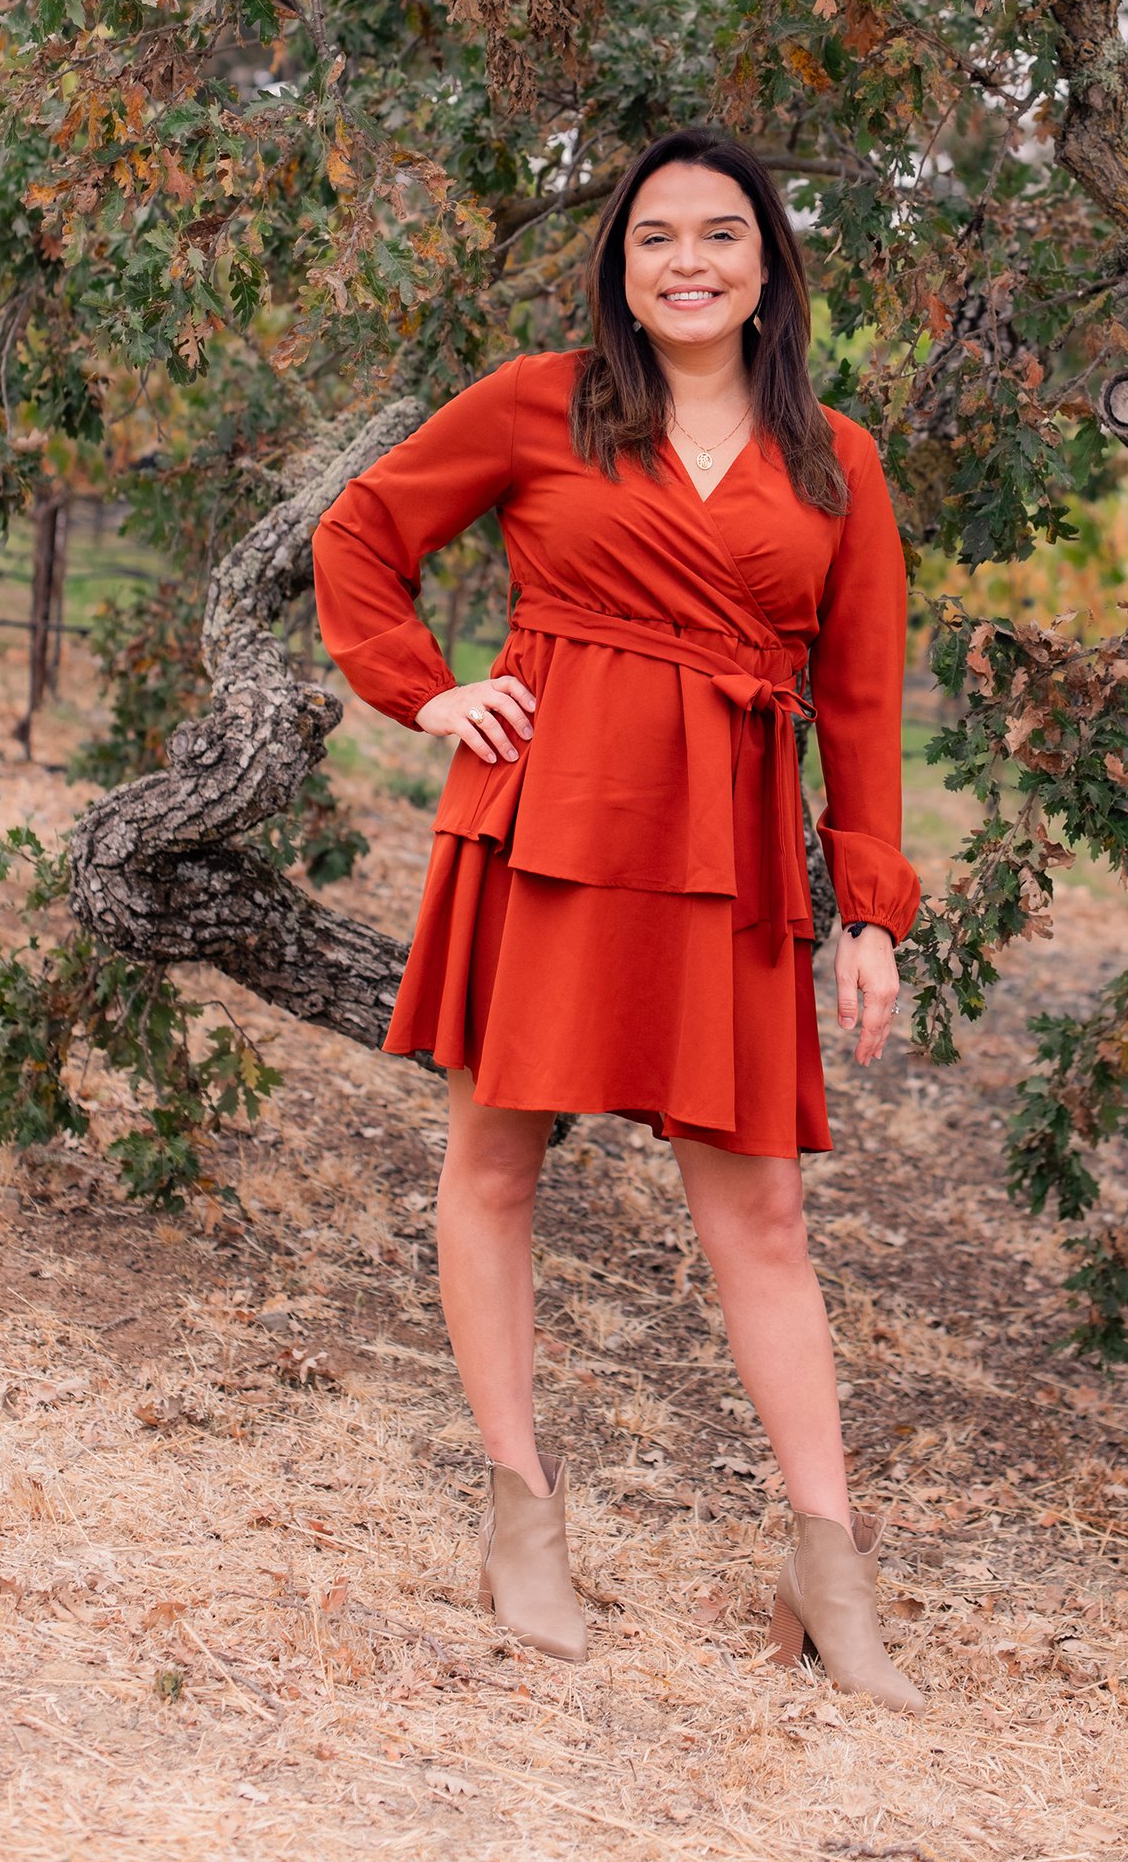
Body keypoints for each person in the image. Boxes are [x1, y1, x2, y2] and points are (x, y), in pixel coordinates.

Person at [312, 127, 924, 1710]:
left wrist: (869, 911)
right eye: (657, 237)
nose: (688, 261)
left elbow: (862, 701)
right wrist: (426, 689)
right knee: (496, 1161)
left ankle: (828, 1564)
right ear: (620, 268)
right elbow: (360, 534)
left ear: (769, 267)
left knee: (761, 1212)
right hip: (549, 821)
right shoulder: (543, 402)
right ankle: (522, 1509)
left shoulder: (837, 461)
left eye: (721, 234)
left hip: (727, 847)